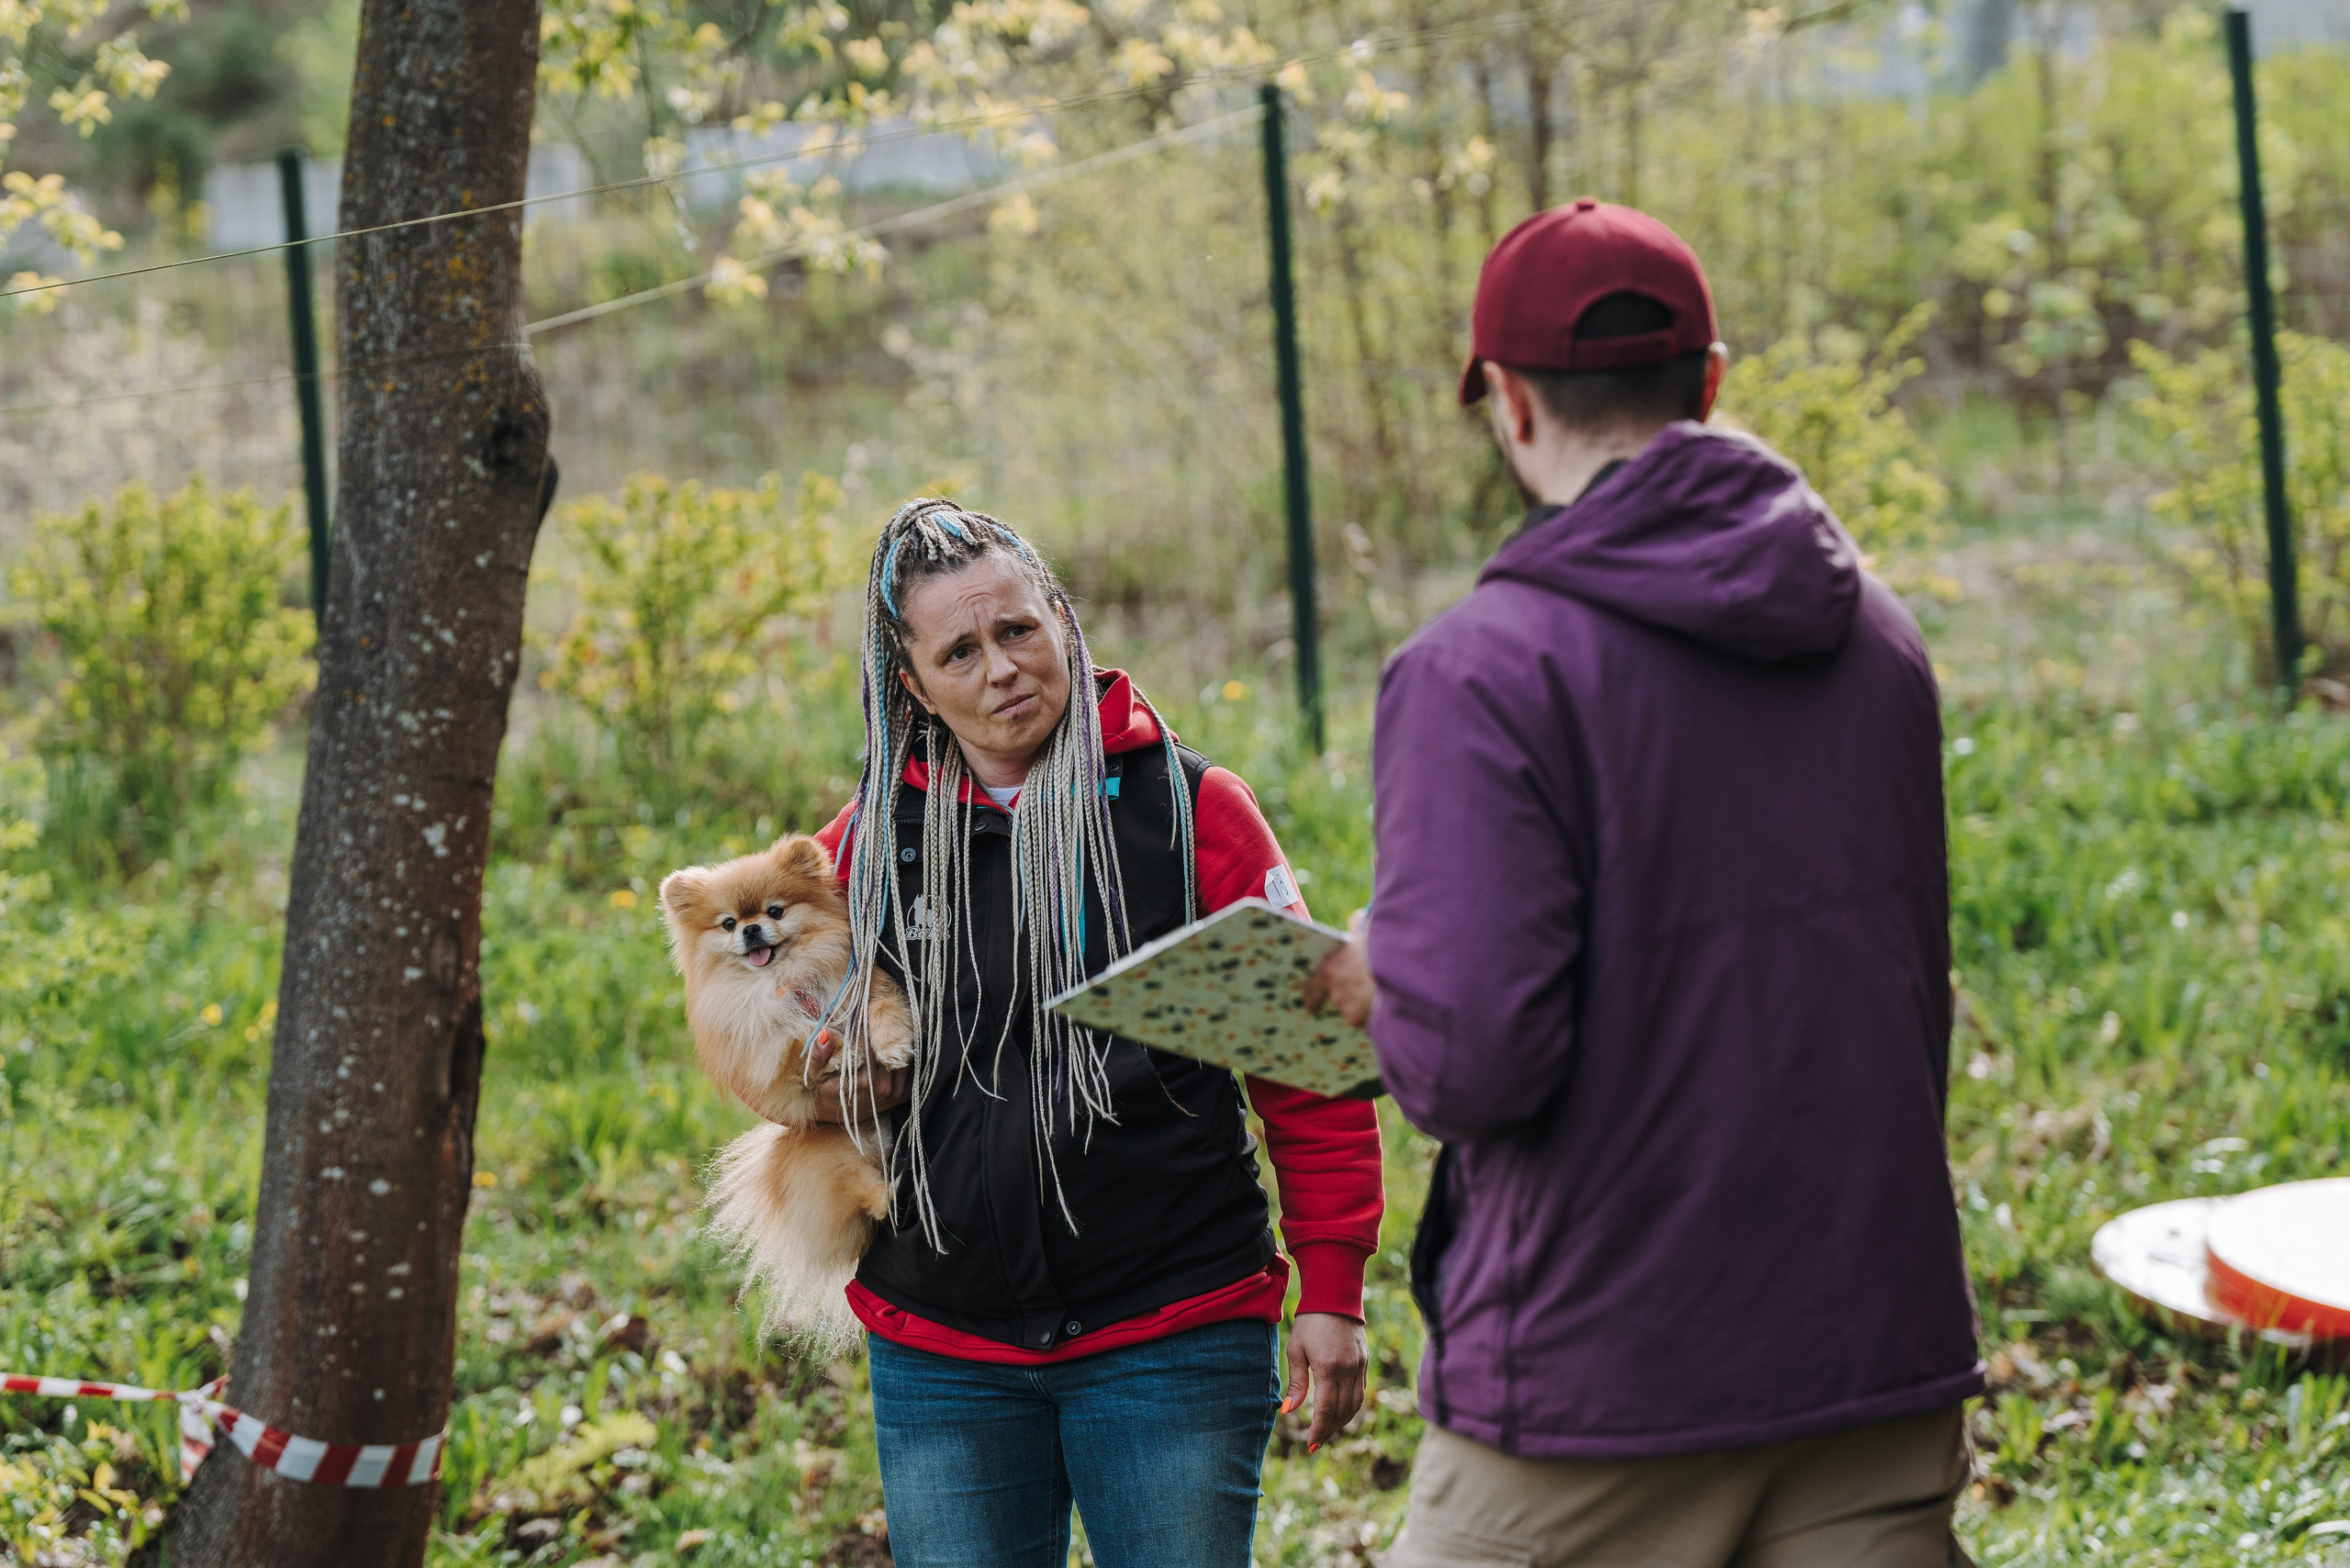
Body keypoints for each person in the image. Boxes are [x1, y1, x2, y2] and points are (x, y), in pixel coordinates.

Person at [1309, 200, 1982, 1565]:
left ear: (1506, 402)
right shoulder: (1881, 636)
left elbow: (1476, 1070)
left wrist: (1387, 985)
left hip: (1598, 1387)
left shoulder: (1476, 675)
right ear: (1712, 381)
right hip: (1873, 1344)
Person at [800, 498, 1383, 1568]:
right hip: (945, 1351)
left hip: (1172, 1330)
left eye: (1019, 629)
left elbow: (1312, 1071)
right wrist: (818, 1070)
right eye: (960, 650)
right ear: (914, 684)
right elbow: (780, 1043)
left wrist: (1333, 1291)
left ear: (1063, 619)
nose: (1002, 668)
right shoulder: (866, 851)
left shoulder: (1187, 811)